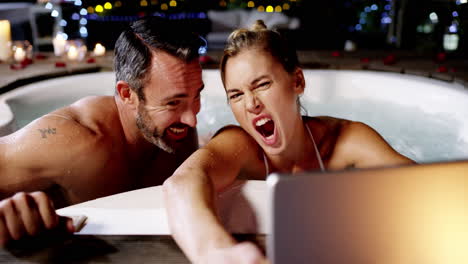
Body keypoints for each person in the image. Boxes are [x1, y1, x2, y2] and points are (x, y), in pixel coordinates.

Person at [163, 20, 415, 263]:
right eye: (236, 95)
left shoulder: (343, 139)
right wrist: (216, 251)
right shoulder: (240, 144)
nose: (251, 104)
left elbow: (421, 185)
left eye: (262, 84)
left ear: (297, 82)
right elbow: (182, 181)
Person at [0, 16, 205, 246]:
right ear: (127, 94)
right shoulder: (72, 139)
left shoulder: (177, 129)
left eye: (196, 95)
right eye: (173, 103)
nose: (192, 118)